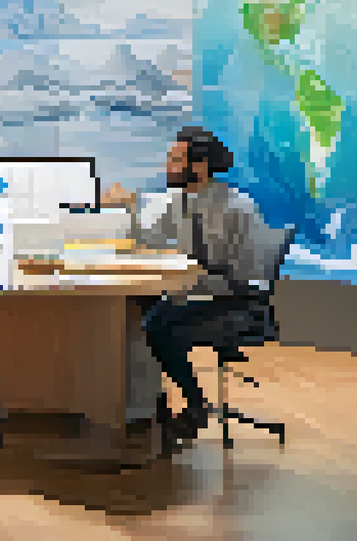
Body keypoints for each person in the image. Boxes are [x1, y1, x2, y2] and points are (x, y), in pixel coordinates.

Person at [102, 126, 286, 452]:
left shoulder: (237, 208)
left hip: (236, 303)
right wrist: (130, 208)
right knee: (144, 307)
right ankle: (153, 405)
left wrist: (187, 278)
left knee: (157, 326)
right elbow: (148, 240)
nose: (167, 167)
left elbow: (246, 276)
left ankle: (195, 406)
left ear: (198, 167)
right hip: (196, 294)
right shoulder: (180, 200)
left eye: (175, 160)